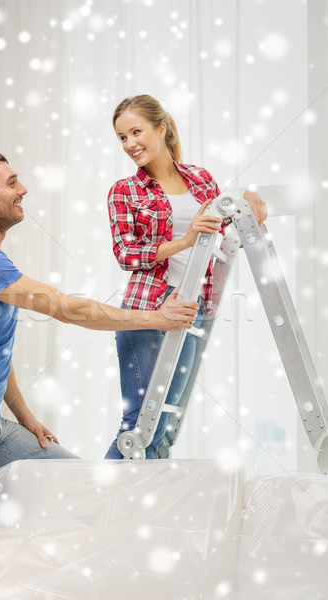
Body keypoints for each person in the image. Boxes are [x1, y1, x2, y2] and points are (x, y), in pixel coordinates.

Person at [0, 150, 199, 513]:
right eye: (12, 183)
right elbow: (68, 308)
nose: (23, 190)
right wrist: (158, 318)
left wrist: (25, 417)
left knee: (74, 478)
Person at [105, 94, 267, 459]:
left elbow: (226, 236)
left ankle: (148, 508)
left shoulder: (200, 178)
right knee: (139, 427)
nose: (130, 144)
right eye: (122, 137)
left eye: (136, 132)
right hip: (148, 310)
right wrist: (185, 241)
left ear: (161, 129)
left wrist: (248, 199)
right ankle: (105, 509)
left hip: (193, 305)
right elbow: (126, 253)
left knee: (164, 428)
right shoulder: (124, 191)